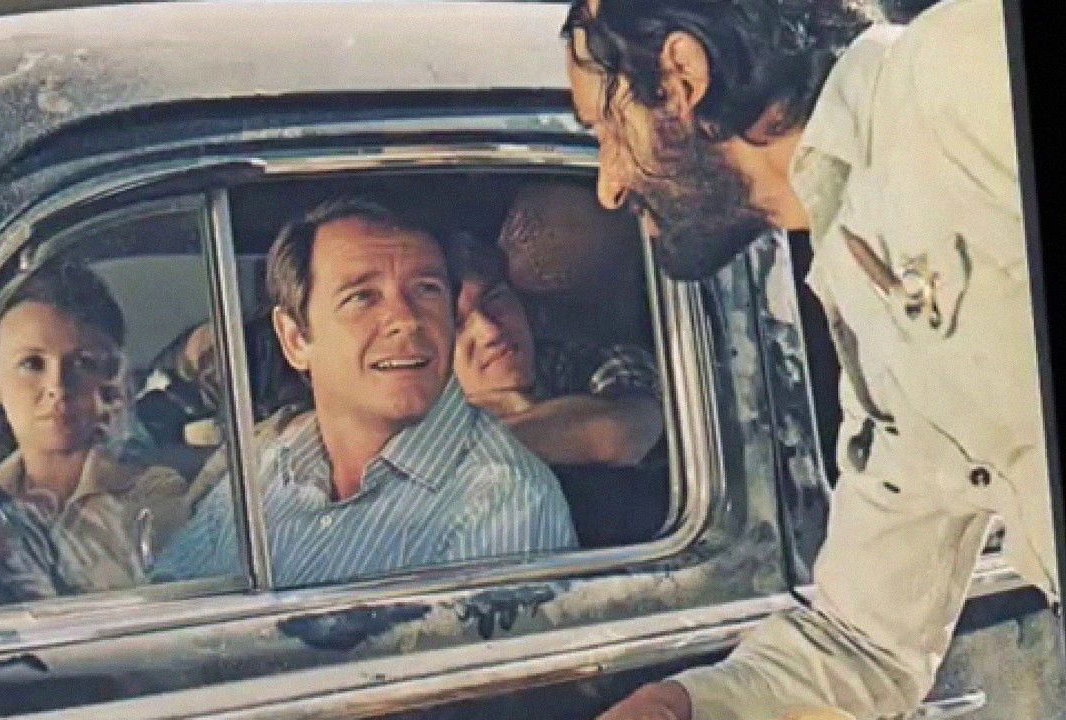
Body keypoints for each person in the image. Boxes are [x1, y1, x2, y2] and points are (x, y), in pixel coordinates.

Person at [560, 0, 1061, 719]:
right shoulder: (862, 297)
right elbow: (865, 643)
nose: (608, 184)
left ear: (681, 78)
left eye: (608, 129)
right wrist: (682, 706)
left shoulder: (957, 71)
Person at [152, 198, 577, 587]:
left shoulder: (500, 500)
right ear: (296, 338)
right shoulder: (270, 462)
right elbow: (173, 592)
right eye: (363, 297)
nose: (406, 320)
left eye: (426, 290)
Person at [0, 263, 192, 609]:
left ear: (108, 381)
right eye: (32, 364)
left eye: (82, 364)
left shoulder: (152, 496)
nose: (57, 386)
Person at [451, 234, 668, 545]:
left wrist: (465, 449)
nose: (490, 331)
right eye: (457, 323)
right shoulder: (412, 410)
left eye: (495, 298)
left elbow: (628, 429)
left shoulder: (588, 361)